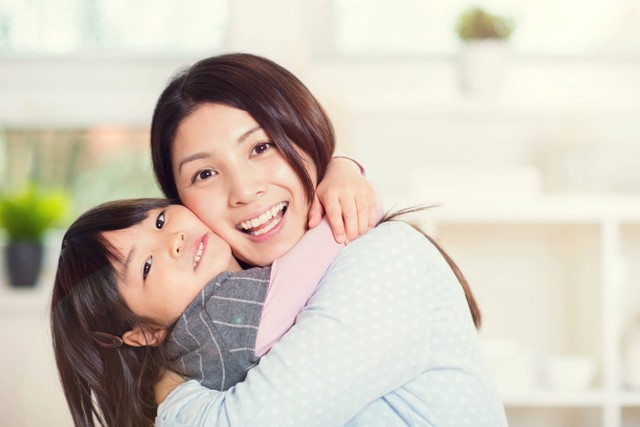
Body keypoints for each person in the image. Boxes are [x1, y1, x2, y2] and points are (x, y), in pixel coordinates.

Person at [150, 52, 507, 426]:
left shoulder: (381, 259)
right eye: (205, 174)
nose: (244, 190)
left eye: (260, 147)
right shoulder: (244, 308)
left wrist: (169, 386)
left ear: (306, 133)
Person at [50, 196, 347, 426]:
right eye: (146, 266)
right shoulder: (215, 318)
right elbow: (338, 232)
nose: (174, 239)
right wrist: (342, 177)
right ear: (143, 334)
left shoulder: (186, 354)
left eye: (160, 221)